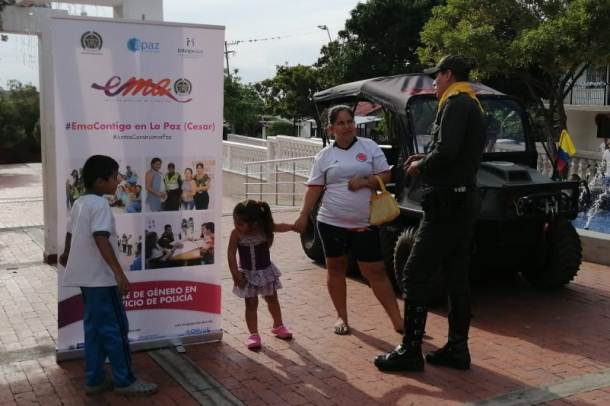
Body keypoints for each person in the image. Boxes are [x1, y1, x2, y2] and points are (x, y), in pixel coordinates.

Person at [375, 55, 486, 372]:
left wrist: (420, 166)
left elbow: (447, 151)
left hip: (446, 203)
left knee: (414, 273)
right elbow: (454, 151)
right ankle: (457, 349)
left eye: (436, 76)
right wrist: (425, 158)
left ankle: (410, 350)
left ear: (448, 74)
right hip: (462, 200)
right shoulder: (471, 103)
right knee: (456, 276)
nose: (434, 82)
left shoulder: (455, 103)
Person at [294, 105, 403, 336]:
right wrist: (303, 215)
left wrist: (365, 181)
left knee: (375, 270)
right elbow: (314, 187)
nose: (347, 127)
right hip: (330, 221)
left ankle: (398, 321)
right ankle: (341, 317)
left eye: (350, 122)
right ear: (331, 128)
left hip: (365, 222)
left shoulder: (369, 147)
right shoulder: (324, 156)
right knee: (335, 268)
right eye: (341, 123)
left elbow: (386, 175)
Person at [58, 155, 157, 396]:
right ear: (100, 181)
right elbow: (101, 237)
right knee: (116, 330)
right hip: (101, 279)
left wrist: (67, 253)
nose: (118, 180)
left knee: (95, 330)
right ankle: (125, 380)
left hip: (87, 279)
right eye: (114, 177)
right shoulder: (100, 205)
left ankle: (94, 379)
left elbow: (70, 232)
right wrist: (119, 273)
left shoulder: (80, 202)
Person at [228, 200, 294, 349]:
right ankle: (253, 334)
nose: (236, 225)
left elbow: (279, 227)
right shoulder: (236, 233)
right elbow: (231, 254)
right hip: (247, 275)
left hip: (266, 272)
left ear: (255, 223)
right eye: (235, 221)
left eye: (240, 223)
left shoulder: (264, 229)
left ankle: (278, 325)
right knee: (251, 304)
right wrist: (235, 274)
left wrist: (293, 227)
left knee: (272, 299)